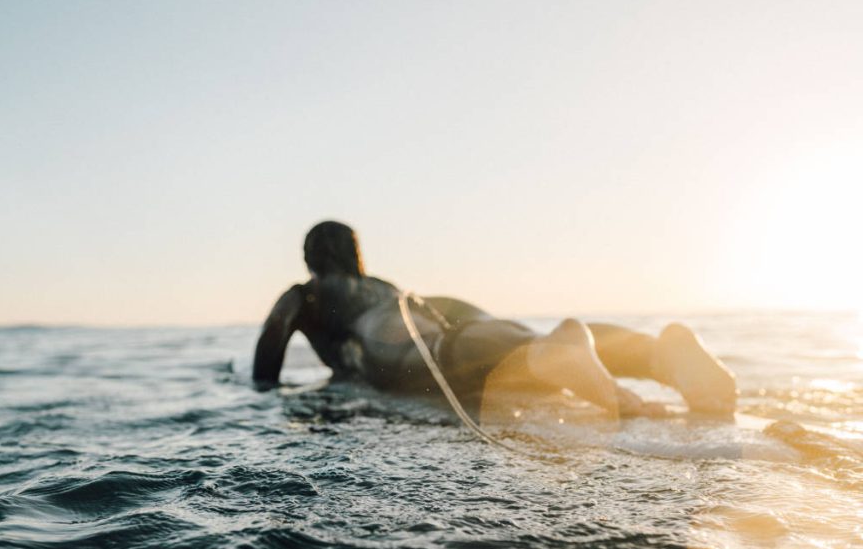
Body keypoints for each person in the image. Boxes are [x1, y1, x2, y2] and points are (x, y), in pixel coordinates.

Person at [253, 220, 738, 419]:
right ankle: (656, 354)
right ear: (356, 256)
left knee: (445, 354)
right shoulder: (381, 286)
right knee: (520, 339)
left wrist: (262, 392)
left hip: (390, 333)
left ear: (312, 260)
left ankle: (565, 352)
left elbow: (268, 357)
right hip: (445, 308)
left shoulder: (307, 294)